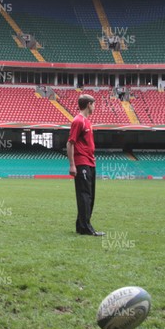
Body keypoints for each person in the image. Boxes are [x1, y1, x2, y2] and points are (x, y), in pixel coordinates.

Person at [67, 94, 105, 236]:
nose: (95, 107)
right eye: (94, 104)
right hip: (82, 162)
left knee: (90, 196)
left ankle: (81, 226)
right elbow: (70, 143)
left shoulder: (87, 122)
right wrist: (72, 165)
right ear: (89, 104)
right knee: (85, 195)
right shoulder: (78, 121)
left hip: (90, 162)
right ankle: (86, 228)